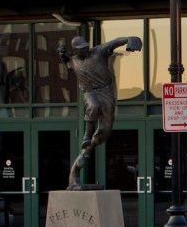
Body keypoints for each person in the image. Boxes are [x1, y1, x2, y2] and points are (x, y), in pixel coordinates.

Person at [58, 34, 142, 189]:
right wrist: (62, 53)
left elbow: (115, 41)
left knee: (104, 131)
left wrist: (131, 38)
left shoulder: (98, 52)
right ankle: (86, 136)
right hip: (90, 92)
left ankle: (85, 154)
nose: (85, 50)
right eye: (81, 49)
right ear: (76, 51)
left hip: (106, 91)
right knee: (93, 106)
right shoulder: (74, 60)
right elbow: (65, 60)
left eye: (86, 47)